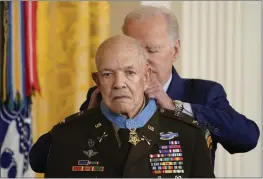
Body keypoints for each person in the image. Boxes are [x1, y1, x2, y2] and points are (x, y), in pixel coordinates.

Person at [79, 6, 260, 169]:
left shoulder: (203, 93)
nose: (141, 61)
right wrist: (89, 116)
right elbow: (63, 153)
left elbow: (247, 138)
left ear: (175, 51)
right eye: (133, 51)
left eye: (151, 50)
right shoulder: (104, 95)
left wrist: (176, 108)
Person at [29, 35, 215, 178]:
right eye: (108, 74)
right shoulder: (67, 135)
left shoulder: (189, 135)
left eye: (130, 72)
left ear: (146, 77)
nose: (119, 83)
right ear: (97, 81)